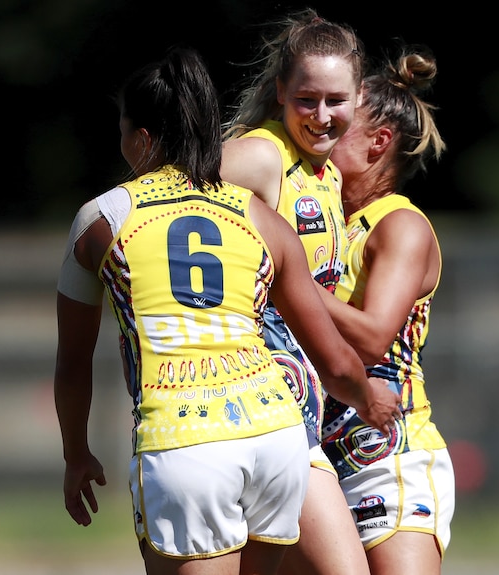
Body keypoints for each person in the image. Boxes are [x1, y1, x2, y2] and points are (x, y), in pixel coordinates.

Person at [53, 46, 402, 575]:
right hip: (277, 439)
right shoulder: (260, 217)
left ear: (141, 139)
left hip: (183, 440)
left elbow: (73, 363)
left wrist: (76, 454)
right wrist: (367, 396)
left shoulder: (100, 220)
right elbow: (332, 359)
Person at [220, 8, 393, 575]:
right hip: (257, 404)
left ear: (357, 97)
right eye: (306, 100)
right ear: (280, 93)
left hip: (298, 411)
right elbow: (174, 185)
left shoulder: (329, 174)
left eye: (336, 101)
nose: (321, 116)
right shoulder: (265, 155)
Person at [316, 45, 456, 575]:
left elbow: (374, 336)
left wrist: (293, 288)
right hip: (322, 458)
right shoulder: (327, 224)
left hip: (389, 460)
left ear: (379, 142)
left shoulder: (400, 223)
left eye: (342, 122)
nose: (324, 129)